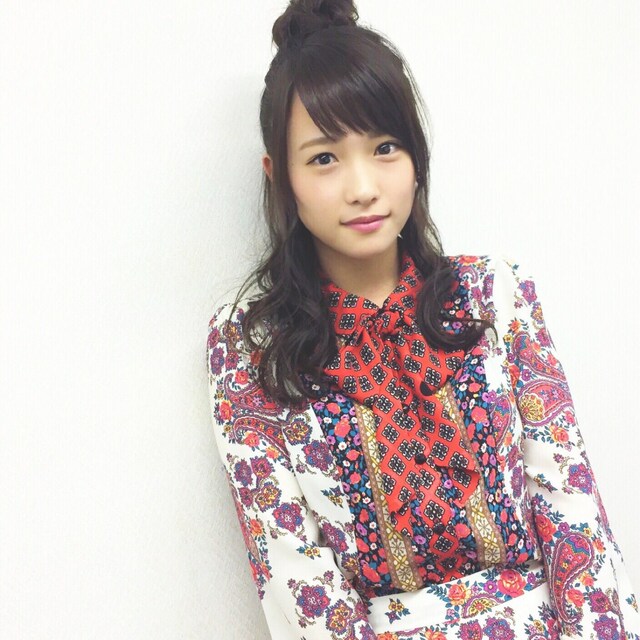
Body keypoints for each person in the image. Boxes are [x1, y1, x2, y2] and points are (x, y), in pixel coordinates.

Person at [205, 1, 640, 638]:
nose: (363, 186)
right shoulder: (250, 344)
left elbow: (573, 516)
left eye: (385, 148)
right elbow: (298, 582)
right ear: (280, 176)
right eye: (324, 158)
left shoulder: (494, 294)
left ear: (416, 158)